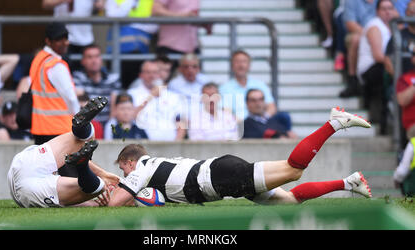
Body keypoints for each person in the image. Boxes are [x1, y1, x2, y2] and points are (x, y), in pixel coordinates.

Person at [106, 107, 372, 206]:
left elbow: (115, 203)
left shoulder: (140, 169)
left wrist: (107, 190)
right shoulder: (153, 167)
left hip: (221, 177)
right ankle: (349, 183)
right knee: (290, 201)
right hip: (220, 178)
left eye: (122, 169)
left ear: (129, 161)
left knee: (293, 170)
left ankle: (334, 124)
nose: (124, 175)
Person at [7, 95, 120, 208]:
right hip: (27, 190)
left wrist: (103, 175)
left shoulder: (75, 168)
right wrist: (104, 178)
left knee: (84, 137)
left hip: (23, 162)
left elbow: (70, 201)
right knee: (97, 187)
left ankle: (82, 130)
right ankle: (83, 166)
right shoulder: (77, 181)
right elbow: (71, 202)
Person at [30, 22, 80, 146]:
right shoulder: (56, 65)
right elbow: (70, 97)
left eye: (66, 38)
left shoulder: (38, 59)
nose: (65, 43)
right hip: (59, 129)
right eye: (59, 39)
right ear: (48, 41)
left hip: (40, 128)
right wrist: (81, 123)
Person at [357, 0, 396, 134]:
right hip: (371, 69)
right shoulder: (375, 26)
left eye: (390, 8)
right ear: (377, 11)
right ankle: (380, 121)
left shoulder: (393, 26)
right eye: (384, 9)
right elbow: (379, 56)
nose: (387, 12)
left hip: (383, 66)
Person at [105, 0, 158, 88]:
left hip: (141, 53)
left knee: (136, 87)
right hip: (117, 53)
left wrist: (129, 22)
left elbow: (153, 27)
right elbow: (112, 16)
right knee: (116, 88)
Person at [128, 61, 186, 141]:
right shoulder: (132, 94)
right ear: (141, 75)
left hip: (170, 145)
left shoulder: (174, 96)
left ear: (160, 75)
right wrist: (150, 97)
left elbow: (180, 122)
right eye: (148, 72)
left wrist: (177, 142)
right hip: (142, 145)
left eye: (155, 72)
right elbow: (130, 117)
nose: (152, 76)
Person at [42, 0, 105, 71]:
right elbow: (46, 4)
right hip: (63, 39)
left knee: (87, 72)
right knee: (62, 69)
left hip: (85, 38)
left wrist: (99, 5)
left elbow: (100, 5)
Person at [73, 44, 121, 126]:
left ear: (101, 59)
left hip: (107, 127)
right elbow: (82, 106)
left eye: (97, 56)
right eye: (89, 57)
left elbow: (115, 109)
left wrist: (107, 130)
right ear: (83, 61)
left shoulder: (113, 79)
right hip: (86, 126)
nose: (94, 60)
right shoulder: (78, 78)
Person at [219, 50, 276, 120]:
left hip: (261, 125)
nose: (241, 65)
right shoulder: (224, 88)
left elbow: (271, 107)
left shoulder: (260, 85)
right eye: (237, 62)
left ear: (249, 65)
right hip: (239, 127)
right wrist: (244, 124)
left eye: (244, 61)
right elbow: (225, 113)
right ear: (232, 66)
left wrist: (261, 120)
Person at [339, 0, 377, 98]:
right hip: (361, 33)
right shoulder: (352, 1)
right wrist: (370, 34)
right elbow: (350, 24)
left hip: (381, 33)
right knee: (355, 39)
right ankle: (353, 80)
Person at [384, 0, 415, 76]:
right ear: (406, 13)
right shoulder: (398, 36)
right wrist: (401, 81)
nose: (413, 13)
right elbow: (387, 61)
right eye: (411, 10)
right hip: (404, 82)